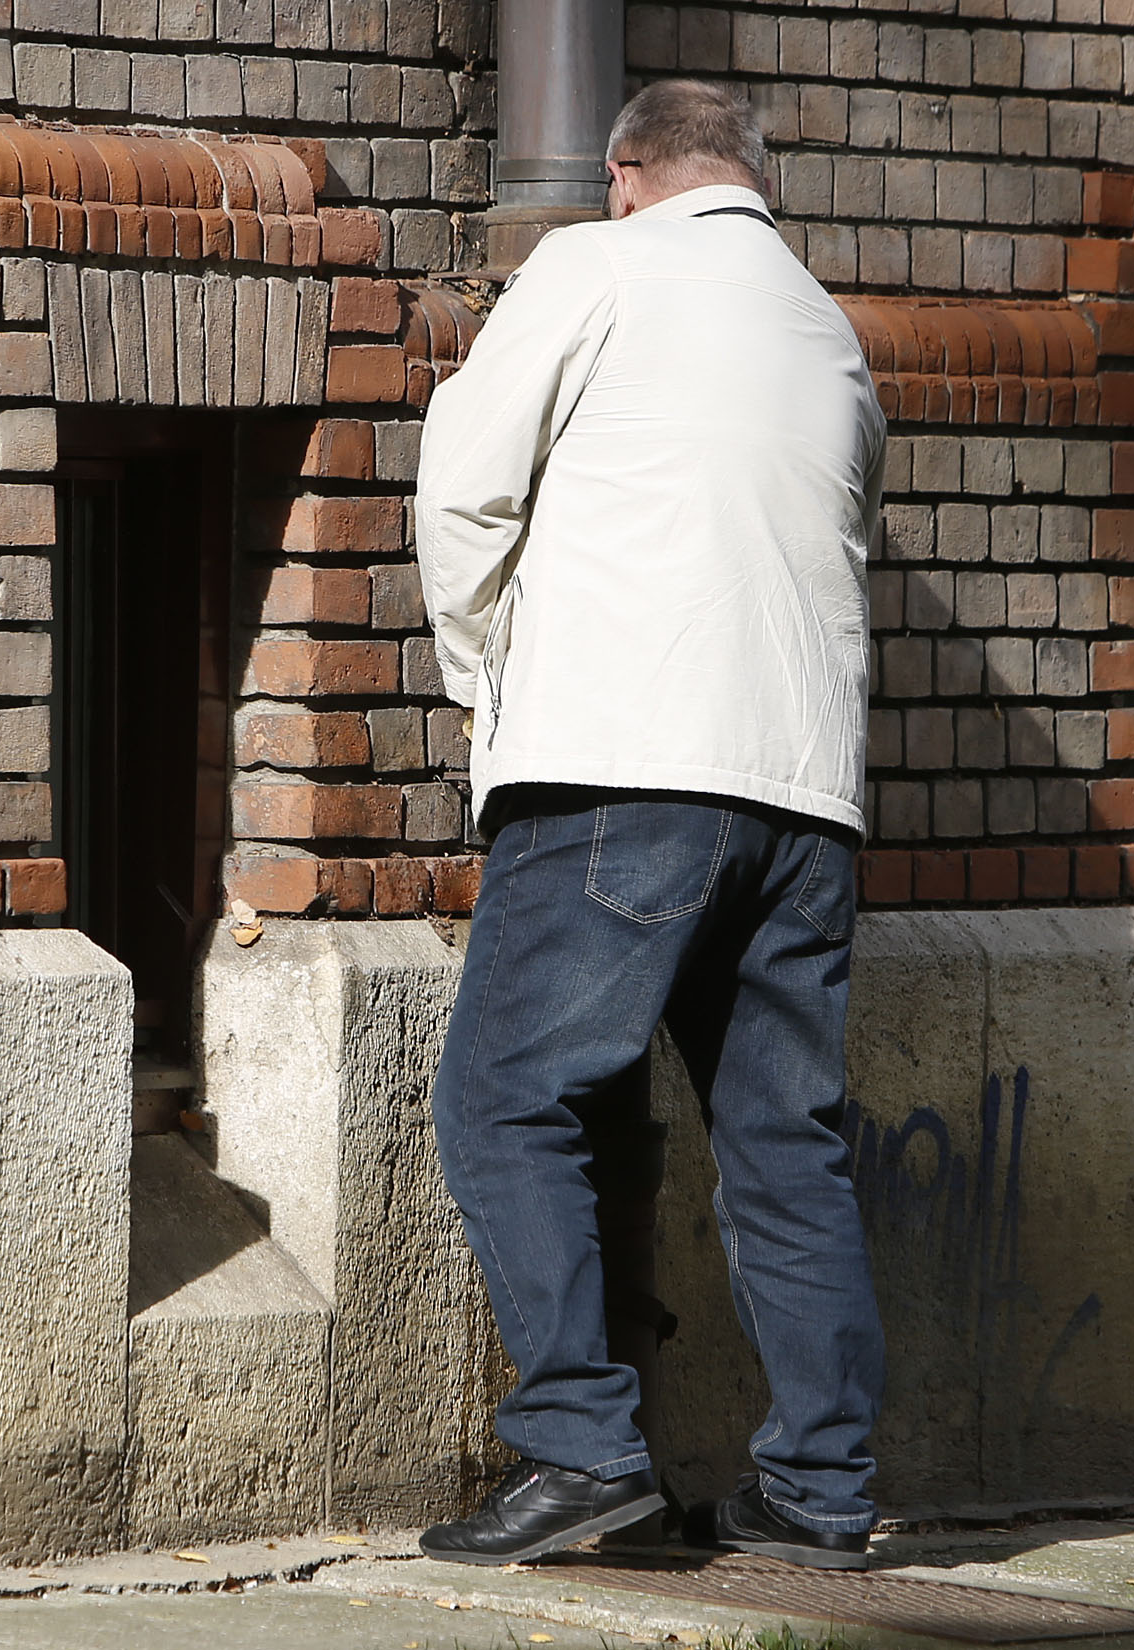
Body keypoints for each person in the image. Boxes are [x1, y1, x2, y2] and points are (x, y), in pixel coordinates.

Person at [411, 79, 889, 1572]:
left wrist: (498, 708)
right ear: (748, 178)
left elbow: (463, 495)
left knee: (500, 1097)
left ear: (624, 176)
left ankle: (575, 1446)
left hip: (621, 759)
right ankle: (820, 1487)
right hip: (805, 796)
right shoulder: (826, 330)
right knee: (780, 1139)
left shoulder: (590, 268)